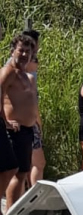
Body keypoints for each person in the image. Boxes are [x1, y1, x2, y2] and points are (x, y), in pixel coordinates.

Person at [0, 35, 37, 209]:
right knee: (12, 171)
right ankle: (8, 213)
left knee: (22, 172)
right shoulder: (9, 71)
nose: (24, 54)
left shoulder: (27, 76)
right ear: (12, 51)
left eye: (28, 52)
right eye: (21, 50)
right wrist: (5, 120)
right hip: (13, 130)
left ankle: (11, 212)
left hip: (28, 130)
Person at [23, 30, 45, 187]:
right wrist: (38, 121)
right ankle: (35, 198)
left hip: (16, 120)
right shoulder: (28, 67)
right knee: (38, 163)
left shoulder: (11, 65)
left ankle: (20, 199)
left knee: (23, 164)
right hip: (28, 119)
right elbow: (32, 99)